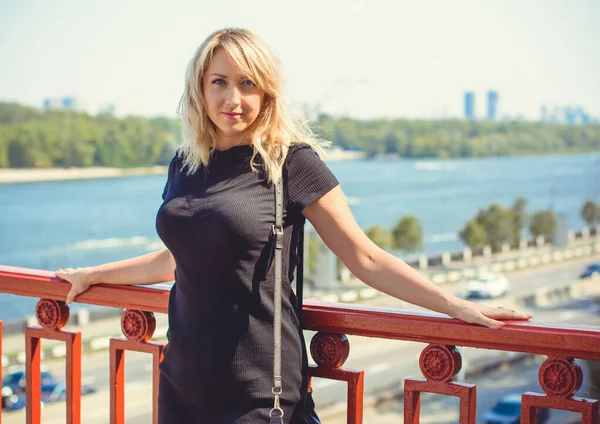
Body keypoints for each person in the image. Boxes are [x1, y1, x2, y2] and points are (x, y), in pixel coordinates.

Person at [55, 28, 531, 424]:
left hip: (258, 396)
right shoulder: (185, 163)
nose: (232, 98)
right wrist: (93, 275)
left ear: (267, 92)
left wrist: (456, 306)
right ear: (199, 88)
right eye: (219, 81)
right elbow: (181, 258)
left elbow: (364, 258)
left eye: (247, 83)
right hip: (180, 386)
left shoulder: (292, 164)